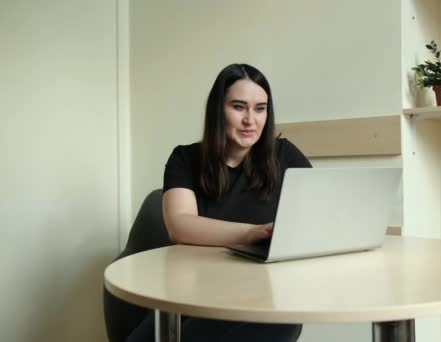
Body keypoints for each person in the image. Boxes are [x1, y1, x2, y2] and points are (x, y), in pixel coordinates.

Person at [125, 63, 311, 342]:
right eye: (239, 107)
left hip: (262, 301)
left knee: (277, 325)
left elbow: (319, 211)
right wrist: (251, 233)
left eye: (260, 108)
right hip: (191, 295)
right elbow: (180, 225)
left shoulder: (285, 156)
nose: (251, 120)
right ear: (218, 111)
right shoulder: (185, 159)